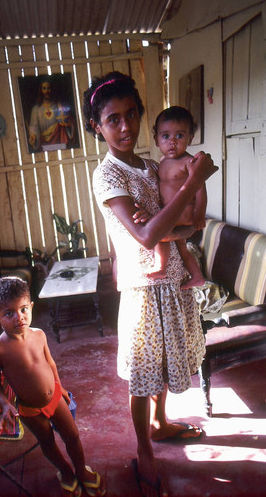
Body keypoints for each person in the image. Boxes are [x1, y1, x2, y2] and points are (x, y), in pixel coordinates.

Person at [83, 71, 218, 497]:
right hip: (144, 289)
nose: (125, 127)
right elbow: (145, 236)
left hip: (172, 281)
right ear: (96, 126)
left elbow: (188, 225)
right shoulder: (108, 176)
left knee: (165, 364)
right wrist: (194, 183)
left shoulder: (149, 164)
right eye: (112, 119)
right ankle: (144, 448)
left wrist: (173, 229)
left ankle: (160, 425)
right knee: (143, 375)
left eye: (131, 115)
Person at [0, 276, 106, 497]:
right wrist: (4, 405)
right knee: (48, 442)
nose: (19, 317)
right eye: (9, 313)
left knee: (72, 436)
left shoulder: (39, 335)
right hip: (30, 409)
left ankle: (81, 470)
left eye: (23, 309)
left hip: (54, 399)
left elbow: (50, 363)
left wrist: (59, 388)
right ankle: (66, 472)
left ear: (31, 306)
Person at [135, 105, 206, 289]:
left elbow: (200, 188)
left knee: (160, 235)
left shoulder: (189, 162)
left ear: (190, 138)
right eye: (166, 136)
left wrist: (199, 214)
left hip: (183, 215)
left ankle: (161, 266)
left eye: (179, 136)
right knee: (182, 249)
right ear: (157, 140)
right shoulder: (162, 162)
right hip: (172, 214)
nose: (172, 142)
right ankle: (197, 276)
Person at [28, 78, 76, 152]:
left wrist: (68, 125)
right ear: (40, 90)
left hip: (60, 141)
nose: (47, 91)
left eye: (49, 88)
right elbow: (33, 127)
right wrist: (33, 136)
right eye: (44, 88)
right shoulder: (36, 109)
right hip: (44, 146)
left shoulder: (59, 106)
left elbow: (69, 122)